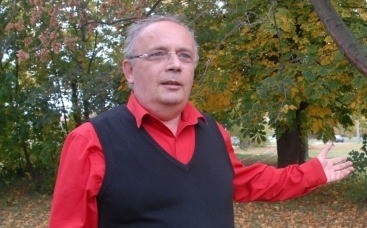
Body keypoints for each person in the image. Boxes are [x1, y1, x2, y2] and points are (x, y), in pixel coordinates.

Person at [49, 15, 354, 228]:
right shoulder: (91, 141)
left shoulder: (212, 131)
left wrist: (313, 173)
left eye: (185, 56)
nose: (174, 65)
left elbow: (246, 182)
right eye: (158, 54)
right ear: (129, 70)